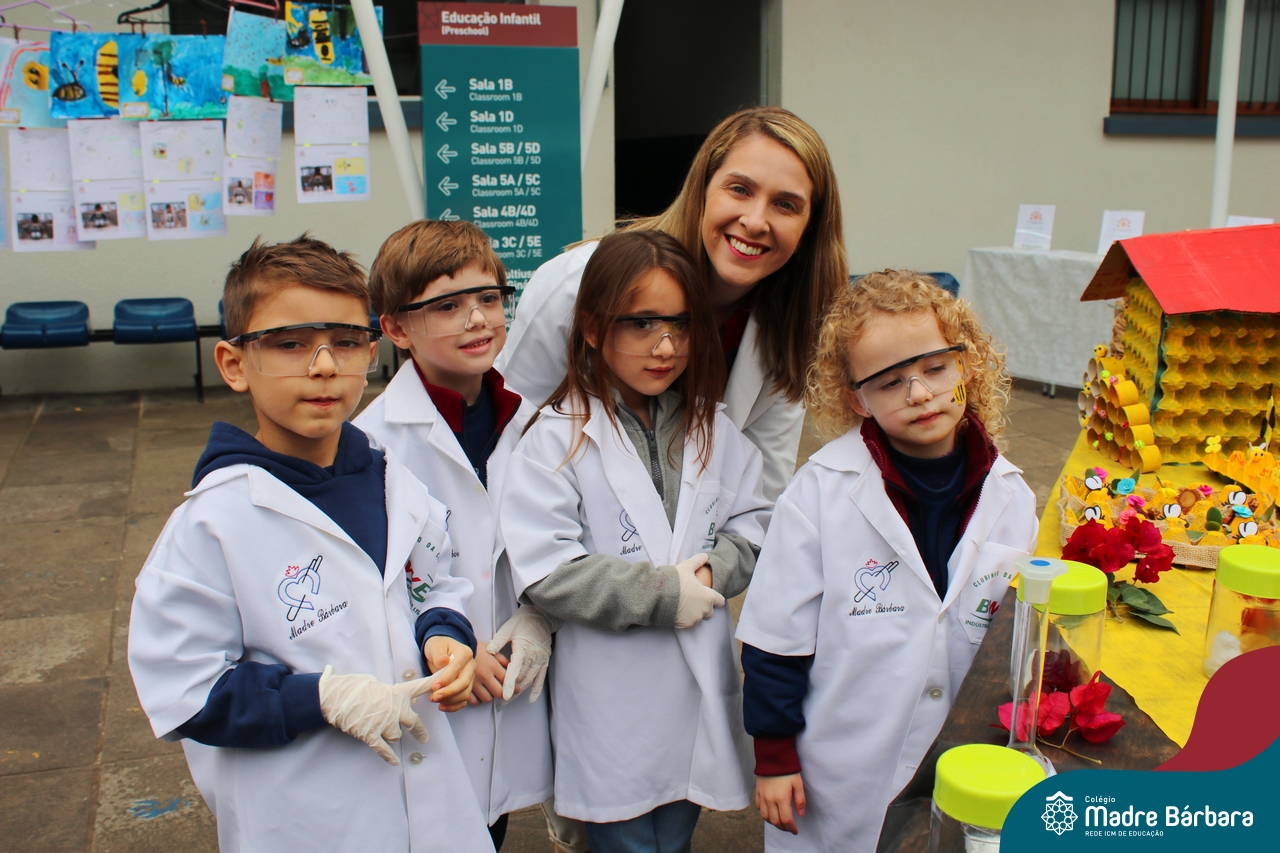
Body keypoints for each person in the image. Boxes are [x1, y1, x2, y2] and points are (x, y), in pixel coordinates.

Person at [127, 234, 495, 853]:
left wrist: (445, 633)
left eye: (345, 342)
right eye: (289, 343)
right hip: (308, 818)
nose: (324, 366)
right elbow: (181, 690)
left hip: (433, 808)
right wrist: (319, 699)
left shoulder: (394, 481)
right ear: (234, 364)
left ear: (371, 353)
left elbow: (436, 580)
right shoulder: (212, 524)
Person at [736, 271, 1039, 852]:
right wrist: (774, 757)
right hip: (842, 770)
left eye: (935, 368)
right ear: (858, 399)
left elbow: (1014, 640)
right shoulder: (819, 493)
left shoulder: (1011, 496)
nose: (919, 394)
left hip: (966, 755)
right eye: (890, 381)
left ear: (967, 365)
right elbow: (775, 639)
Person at [500, 231, 771, 853]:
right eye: (642, 323)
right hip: (609, 698)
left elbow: (753, 529)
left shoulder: (715, 430)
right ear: (593, 328)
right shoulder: (555, 438)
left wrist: (709, 577)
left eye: (681, 324)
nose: (666, 345)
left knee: (675, 834)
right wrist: (663, 593)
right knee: (625, 841)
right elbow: (547, 569)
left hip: (694, 688)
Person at [498, 106, 847, 505]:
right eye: (739, 189)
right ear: (702, 189)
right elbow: (511, 437)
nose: (755, 221)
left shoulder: (792, 323)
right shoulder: (575, 285)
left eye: (786, 205)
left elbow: (762, 494)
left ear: (810, 227)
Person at [355, 220, 554, 850]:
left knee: (492, 822)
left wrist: (538, 615)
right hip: (440, 682)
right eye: (447, 306)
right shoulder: (373, 443)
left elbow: (554, 537)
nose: (476, 319)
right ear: (395, 329)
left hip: (513, 672)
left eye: (489, 298)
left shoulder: (530, 420)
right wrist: (454, 645)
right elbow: (378, 582)